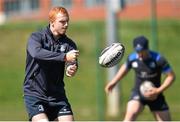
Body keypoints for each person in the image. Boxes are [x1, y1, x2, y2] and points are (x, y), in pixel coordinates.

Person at [23, 6, 79, 121]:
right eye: (62, 22)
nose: (66, 25)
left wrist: (71, 69)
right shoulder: (36, 38)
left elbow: (71, 63)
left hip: (57, 96)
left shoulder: (69, 44)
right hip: (35, 94)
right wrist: (64, 57)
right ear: (52, 22)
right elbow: (36, 53)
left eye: (67, 21)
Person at [105, 35, 176, 121]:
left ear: (147, 49)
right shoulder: (132, 58)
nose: (140, 54)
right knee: (130, 115)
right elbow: (125, 68)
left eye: (142, 51)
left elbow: (171, 76)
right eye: (138, 52)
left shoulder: (158, 59)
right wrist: (114, 82)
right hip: (138, 93)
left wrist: (158, 90)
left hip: (156, 95)